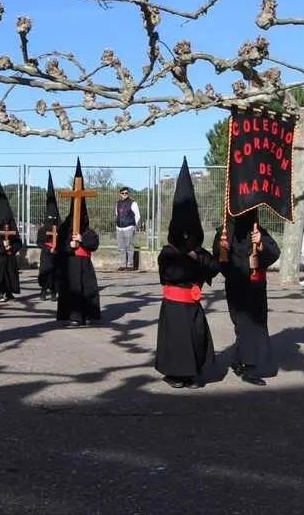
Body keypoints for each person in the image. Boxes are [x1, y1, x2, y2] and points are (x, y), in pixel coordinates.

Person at [156, 158, 223, 388]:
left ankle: (194, 373)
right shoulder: (168, 252)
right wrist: (192, 261)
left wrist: (212, 254)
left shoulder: (198, 251)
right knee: (177, 341)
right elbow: (174, 273)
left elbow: (214, 267)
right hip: (175, 303)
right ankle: (176, 374)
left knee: (196, 338)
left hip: (192, 304)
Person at [214, 208, 279, 386]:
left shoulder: (257, 231)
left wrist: (262, 244)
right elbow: (221, 263)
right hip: (237, 286)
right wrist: (228, 254)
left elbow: (274, 253)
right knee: (244, 325)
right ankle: (249, 367)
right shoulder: (225, 233)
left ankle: (241, 361)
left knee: (255, 325)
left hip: (257, 287)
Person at [56, 160, 101, 326]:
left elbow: (94, 243)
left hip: (86, 263)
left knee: (88, 289)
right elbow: (61, 244)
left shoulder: (87, 229)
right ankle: (75, 316)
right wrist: (70, 246)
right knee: (74, 289)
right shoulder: (66, 227)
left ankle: (89, 314)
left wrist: (82, 240)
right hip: (72, 262)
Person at [0, 183, 23, 303]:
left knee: (10, 276)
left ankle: (8, 292)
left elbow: (19, 242)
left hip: (9, 257)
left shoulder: (13, 231)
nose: (7, 224)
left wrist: (11, 248)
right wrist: (2, 246)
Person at [35, 172, 61, 301]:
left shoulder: (60, 228)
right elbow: (39, 242)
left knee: (56, 273)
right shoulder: (42, 230)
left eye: (54, 218)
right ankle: (43, 291)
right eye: (49, 218)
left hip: (57, 253)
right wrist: (48, 249)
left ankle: (54, 292)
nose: (52, 220)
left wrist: (57, 248)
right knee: (45, 272)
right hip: (46, 254)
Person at [115, 186, 140, 271]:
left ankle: (130, 265)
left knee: (129, 247)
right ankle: (122, 264)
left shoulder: (133, 203)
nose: (124, 194)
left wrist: (133, 225)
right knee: (121, 247)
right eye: (123, 193)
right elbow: (117, 214)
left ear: (128, 193)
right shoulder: (118, 203)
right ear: (120, 194)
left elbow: (137, 216)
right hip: (119, 228)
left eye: (126, 193)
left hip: (129, 227)